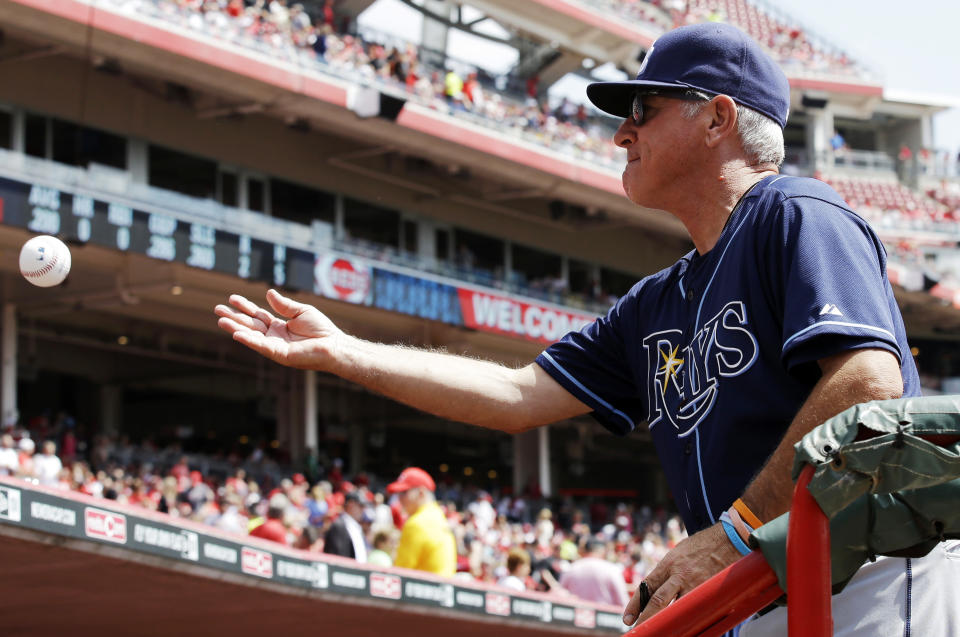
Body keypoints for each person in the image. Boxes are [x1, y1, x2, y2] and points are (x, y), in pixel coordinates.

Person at [215, 22, 959, 635]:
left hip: (868, 574)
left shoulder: (796, 212)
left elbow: (868, 382)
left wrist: (735, 531)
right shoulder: (656, 301)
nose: (620, 133)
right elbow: (516, 393)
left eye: (643, 110)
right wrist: (348, 352)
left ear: (717, 118)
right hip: (763, 587)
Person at [384, 467, 456, 576]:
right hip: (441, 588)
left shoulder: (416, 523)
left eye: (404, 492)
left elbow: (400, 573)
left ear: (421, 493)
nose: (399, 498)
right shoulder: (438, 515)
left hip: (423, 590)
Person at [559, 538, 629, 606]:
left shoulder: (572, 568)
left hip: (576, 615)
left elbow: (560, 595)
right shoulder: (612, 570)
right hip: (605, 615)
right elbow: (623, 602)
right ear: (603, 551)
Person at [323, 490, 368, 561]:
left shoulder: (356, 527)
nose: (363, 510)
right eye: (361, 506)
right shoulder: (338, 526)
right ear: (351, 504)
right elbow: (337, 558)